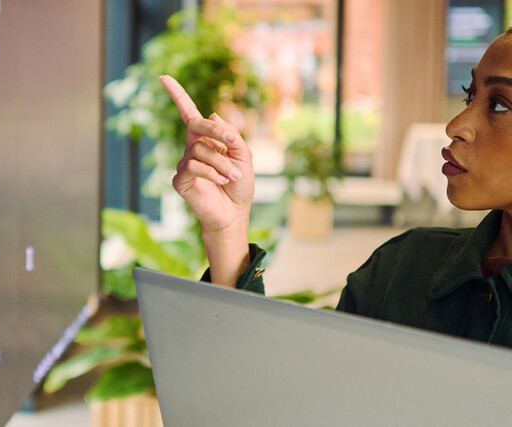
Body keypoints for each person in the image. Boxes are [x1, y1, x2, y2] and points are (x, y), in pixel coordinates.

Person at [160, 30, 512, 347]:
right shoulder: (399, 269)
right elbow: (284, 401)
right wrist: (227, 230)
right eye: (470, 95)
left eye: (500, 104)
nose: (456, 125)